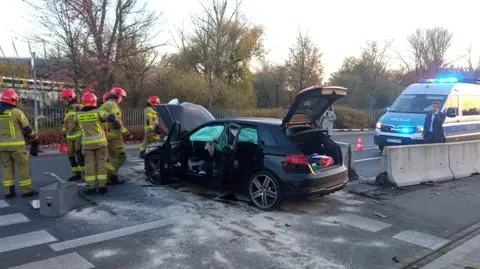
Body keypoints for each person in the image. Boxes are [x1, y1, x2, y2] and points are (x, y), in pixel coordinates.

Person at [74, 92, 119, 194]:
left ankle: (91, 187)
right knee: (101, 164)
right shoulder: (98, 112)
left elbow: (74, 121)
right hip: (101, 144)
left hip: (87, 145)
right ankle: (102, 186)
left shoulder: (78, 115)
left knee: (89, 165)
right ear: (94, 101)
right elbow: (110, 117)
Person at [0, 88, 39, 198]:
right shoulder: (16, 112)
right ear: (13, 100)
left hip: (2, 147)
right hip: (17, 147)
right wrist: (33, 139)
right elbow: (27, 129)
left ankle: (9, 192)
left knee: (6, 168)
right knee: (23, 166)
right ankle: (26, 191)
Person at [100, 87, 130, 185]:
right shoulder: (113, 105)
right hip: (114, 136)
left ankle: (113, 177)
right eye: (122, 97)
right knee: (121, 156)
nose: (122, 99)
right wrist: (126, 132)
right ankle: (108, 175)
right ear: (118, 96)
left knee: (112, 157)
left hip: (105, 136)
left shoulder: (104, 105)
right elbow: (117, 122)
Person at [60, 88, 84, 181]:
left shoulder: (80, 108)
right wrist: (63, 134)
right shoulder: (67, 110)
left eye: (64, 99)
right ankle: (76, 174)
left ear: (70, 98)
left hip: (79, 136)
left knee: (80, 156)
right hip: (69, 137)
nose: (63, 102)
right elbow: (65, 123)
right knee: (71, 157)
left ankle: (85, 174)